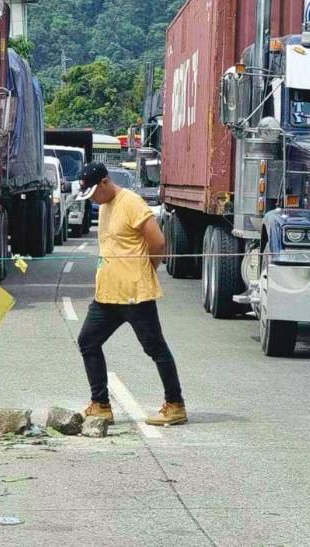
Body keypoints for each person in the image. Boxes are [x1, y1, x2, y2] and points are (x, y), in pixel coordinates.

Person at [75, 162, 186, 427]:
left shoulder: (131, 202)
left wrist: (147, 269)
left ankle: (175, 405)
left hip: (134, 294)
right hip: (107, 295)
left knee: (155, 348)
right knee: (87, 341)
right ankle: (101, 405)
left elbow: (157, 241)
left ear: (105, 182)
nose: (93, 199)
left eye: (94, 193)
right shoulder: (103, 207)